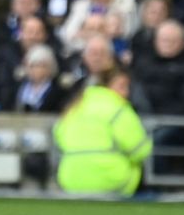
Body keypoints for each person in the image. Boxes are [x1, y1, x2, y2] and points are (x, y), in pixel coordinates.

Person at [53, 66, 151, 197]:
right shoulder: (118, 108)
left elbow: (58, 136)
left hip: (71, 179)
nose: (126, 93)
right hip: (112, 181)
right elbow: (141, 150)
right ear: (107, 85)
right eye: (122, 86)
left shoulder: (74, 106)